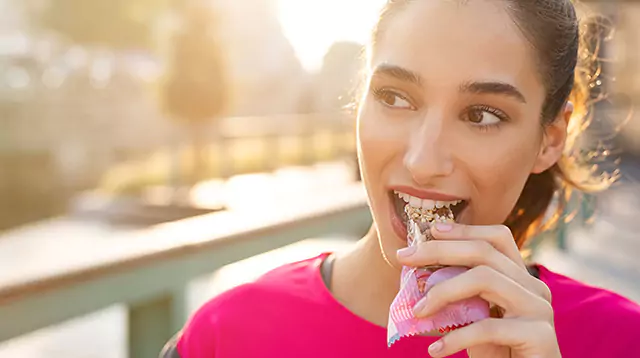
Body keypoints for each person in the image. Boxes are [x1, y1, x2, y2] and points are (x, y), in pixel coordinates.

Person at [162, 0, 640, 357]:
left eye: (482, 114)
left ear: (550, 139)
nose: (422, 160)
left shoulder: (620, 341)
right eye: (395, 98)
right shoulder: (228, 335)